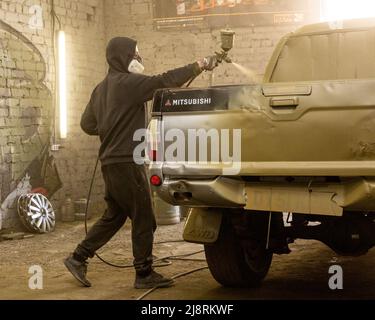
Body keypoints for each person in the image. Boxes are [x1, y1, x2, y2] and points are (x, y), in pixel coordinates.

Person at [64, 37, 218, 289]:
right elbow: (164, 81)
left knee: (114, 216)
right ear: (123, 57)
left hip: (111, 162)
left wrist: (110, 127)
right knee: (144, 216)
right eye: (135, 54)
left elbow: (87, 124)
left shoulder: (100, 88)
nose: (139, 59)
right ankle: (144, 273)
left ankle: (78, 258)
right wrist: (198, 65)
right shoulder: (128, 83)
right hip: (127, 161)